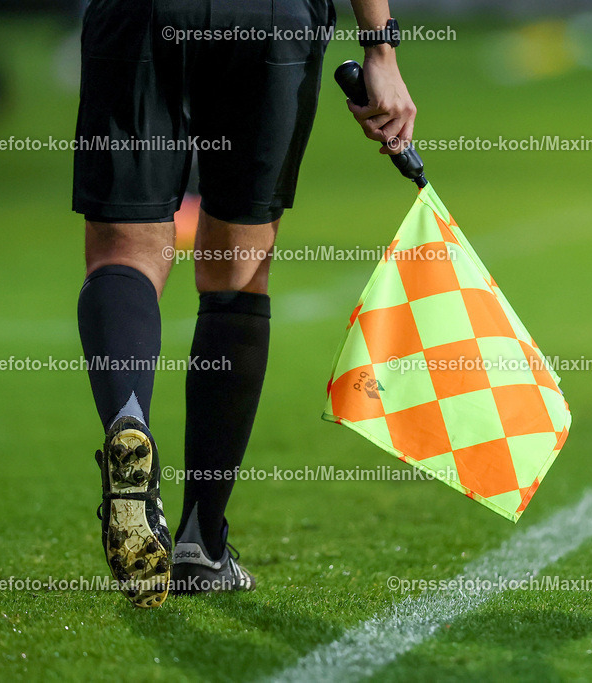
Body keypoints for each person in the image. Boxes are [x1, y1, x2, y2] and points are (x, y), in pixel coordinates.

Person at [73, 0, 416, 608]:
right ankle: (201, 544)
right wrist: (379, 48)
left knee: (123, 250)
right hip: (269, 18)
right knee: (238, 268)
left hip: (144, 14)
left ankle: (129, 423)